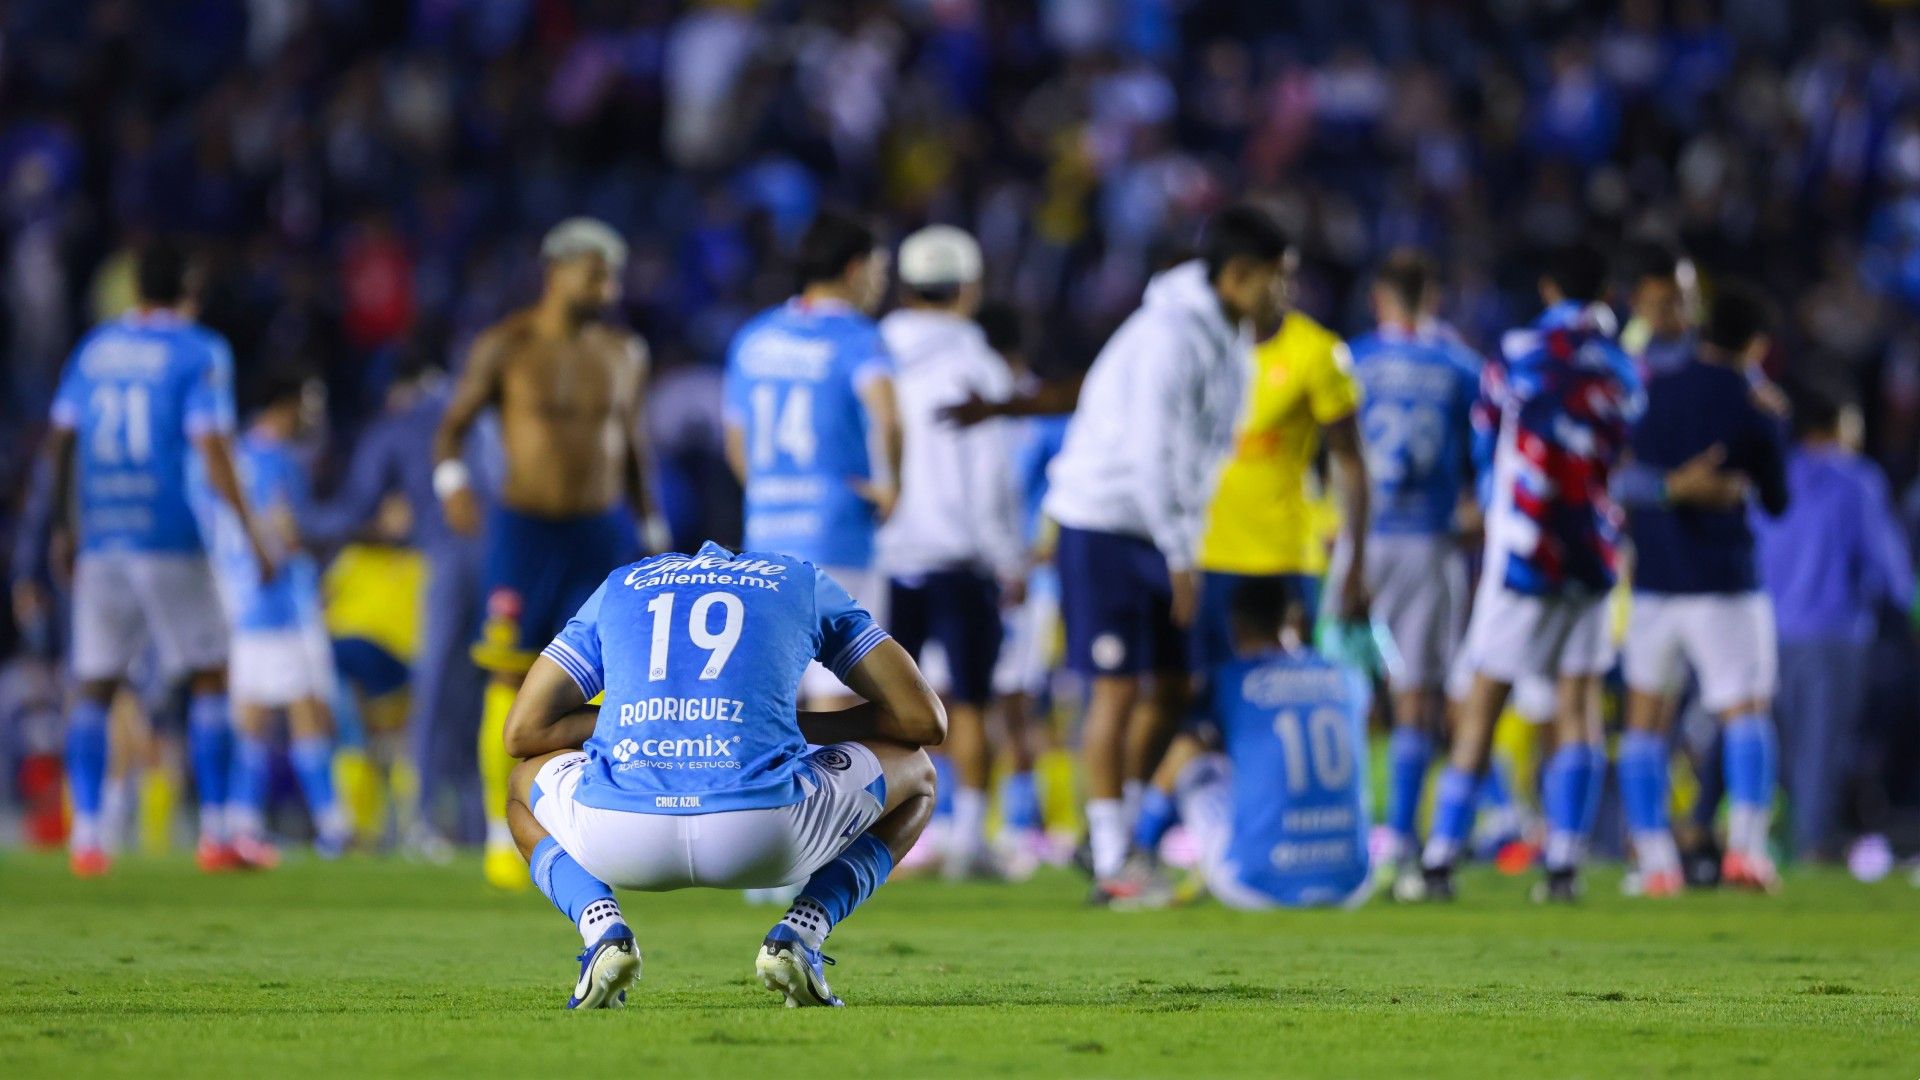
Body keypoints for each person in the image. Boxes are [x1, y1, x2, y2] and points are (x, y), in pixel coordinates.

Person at [499, 542, 945, 1009]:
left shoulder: (622, 585)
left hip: (620, 838)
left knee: (521, 783)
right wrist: (781, 723)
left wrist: (641, 719)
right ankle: (804, 929)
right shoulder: (800, 581)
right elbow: (924, 721)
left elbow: (523, 731)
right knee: (917, 772)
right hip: (763, 836)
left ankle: (600, 926)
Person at [1042, 205, 1286, 894]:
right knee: (1116, 688)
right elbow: (1152, 454)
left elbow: (1203, 458)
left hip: (1165, 530)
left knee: (1177, 686)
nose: (1286, 293)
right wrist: (1182, 555)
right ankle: (1112, 860)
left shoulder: (1231, 340)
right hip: (1105, 521)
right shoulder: (1169, 336)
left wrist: (1188, 543)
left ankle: (1117, 832)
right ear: (1239, 275)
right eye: (1280, 277)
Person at [433, 218, 666, 890]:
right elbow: (451, 427)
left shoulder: (625, 351)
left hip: (600, 532)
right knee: (509, 676)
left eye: (612, 275)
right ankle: (497, 828)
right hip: (524, 531)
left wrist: (650, 523)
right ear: (556, 271)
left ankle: (597, 822)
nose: (608, 287)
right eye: (597, 273)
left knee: (609, 683)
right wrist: (451, 484)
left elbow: (632, 445)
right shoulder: (505, 346)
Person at [37, 237, 276, 876]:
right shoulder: (200, 350)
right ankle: (218, 832)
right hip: (170, 533)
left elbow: (60, 441)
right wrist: (253, 534)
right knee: (210, 674)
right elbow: (212, 447)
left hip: (102, 537)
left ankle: (88, 837)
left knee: (95, 683)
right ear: (189, 288)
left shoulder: (94, 349)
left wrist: (62, 528)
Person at [1419, 243, 1643, 903]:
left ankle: (1438, 859)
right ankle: (1565, 863)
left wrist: (1493, 503)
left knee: (1484, 700)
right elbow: (1624, 450)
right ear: (1606, 293)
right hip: (1592, 551)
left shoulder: (1518, 352)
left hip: (1525, 546)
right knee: (1578, 703)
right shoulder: (1620, 365)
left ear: (1549, 288)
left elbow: (1485, 435)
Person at [1614, 284, 1790, 895]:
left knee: (1644, 722)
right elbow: (1777, 500)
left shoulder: (1652, 390)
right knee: (1745, 712)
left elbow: (1618, 473)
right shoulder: (1754, 402)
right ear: (1756, 344)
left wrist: (1666, 488)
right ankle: (1746, 851)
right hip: (1724, 582)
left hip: (1655, 582)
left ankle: (1656, 863)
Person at [874, 226, 1024, 879]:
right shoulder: (978, 364)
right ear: (967, 287)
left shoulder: (873, 352)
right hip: (961, 556)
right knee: (972, 700)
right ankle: (968, 839)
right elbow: (994, 476)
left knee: (882, 706)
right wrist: (1008, 555)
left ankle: (878, 832)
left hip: (885, 554)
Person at [306, 339, 485, 853]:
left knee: (433, 692)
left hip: (446, 563)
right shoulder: (480, 417)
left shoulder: (401, 424)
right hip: (503, 564)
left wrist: (299, 522)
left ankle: (422, 819)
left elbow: (354, 509)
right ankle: (484, 826)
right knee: (480, 696)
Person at [722, 210, 902, 709]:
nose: (880, 285)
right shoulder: (859, 338)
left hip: (766, 536)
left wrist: (769, 494)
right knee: (840, 693)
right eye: (879, 271)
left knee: (773, 694)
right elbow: (888, 418)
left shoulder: (753, 338)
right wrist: (892, 487)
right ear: (855, 268)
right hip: (837, 531)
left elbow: (735, 441)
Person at [1344, 251, 1482, 890]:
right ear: (1434, 298)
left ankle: (1344, 832)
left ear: (1380, 299)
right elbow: (1490, 450)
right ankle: (1400, 836)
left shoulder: (1353, 359)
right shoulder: (1460, 366)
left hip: (1358, 542)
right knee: (1417, 691)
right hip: (1429, 542)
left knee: (1346, 686)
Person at [1120, 577, 1372, 909]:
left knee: (1198, 765)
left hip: (1254, 883)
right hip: (1351, 881)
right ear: (1296, 621)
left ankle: (1140, 855)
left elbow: (1185, 748)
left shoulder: (1231, 679)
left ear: (1236, 628)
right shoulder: (1347, 676)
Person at [192, 368, 350, 864]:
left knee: (254, 719)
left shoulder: (229, 458)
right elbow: (291, 530)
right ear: (286, 405)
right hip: (282, 604)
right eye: (307, 403)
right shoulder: (280, 461)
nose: (312, 416)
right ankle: (333, 827)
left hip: (241, 604)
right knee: (307, 710)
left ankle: (241, 823)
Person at [1755, 387, 1912, 862]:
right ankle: (1810, 847)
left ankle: (1773, 841)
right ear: (1839, 425)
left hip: (1769, 633)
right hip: (1833, 633)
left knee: (1781, 748)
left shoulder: (1771, 475)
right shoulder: (1857, 479)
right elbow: (1889, 568)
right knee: (1822, 750)